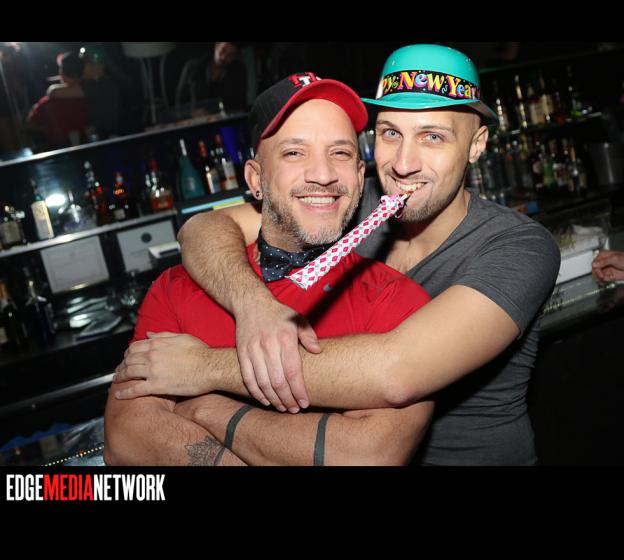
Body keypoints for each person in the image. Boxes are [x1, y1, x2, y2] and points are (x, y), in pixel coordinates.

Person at [126, 45, 561, 465]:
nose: (404, 163)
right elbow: (203, 228)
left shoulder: (519, 247)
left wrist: (204, 373)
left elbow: (397, 371)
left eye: (432, 137)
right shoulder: (346, 202)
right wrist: (253, 306)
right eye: (390, 133)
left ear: (477, 144)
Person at [105, 72, 435, 466]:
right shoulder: (176, 288)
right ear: (255, 179)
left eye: (340, 153)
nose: (323, 174)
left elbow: (368, 455)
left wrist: (204, 408)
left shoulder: (399, 302)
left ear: (361, 178)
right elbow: (126, 437)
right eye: (294, 153)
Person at [26, 51, 88, 149]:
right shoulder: (94, 94)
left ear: (61, 73)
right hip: (90, 147)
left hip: (58, 150)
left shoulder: (47, 102)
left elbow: (30, 124)